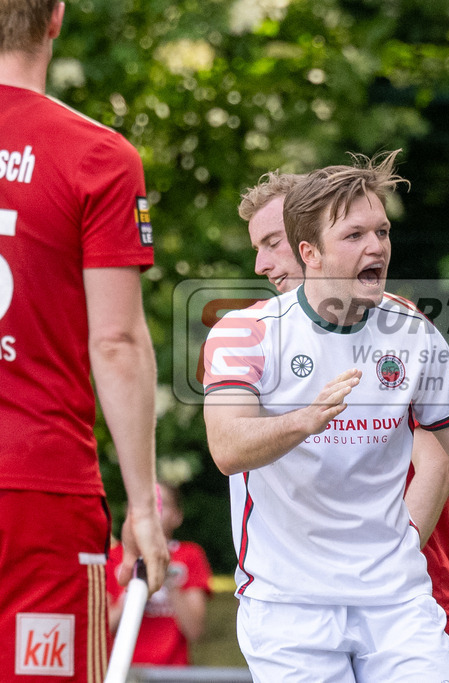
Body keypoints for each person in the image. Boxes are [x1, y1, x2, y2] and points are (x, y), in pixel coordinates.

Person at [202, 151, 449, 682]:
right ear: (310, 253)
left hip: (397, 600)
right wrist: (304, 420)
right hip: (290, 606)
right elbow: (227, 447)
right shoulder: (244, 332)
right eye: (354, 236)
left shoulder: (411, 329)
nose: (377, 248)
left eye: (382, 232)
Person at [238, 170, 449, 675]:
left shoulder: (399, 327)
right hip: (304, 598)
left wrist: (397, 548)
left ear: (310, 241)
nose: (263, 263)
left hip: (410, 583)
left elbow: (444, 454)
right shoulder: (256, 336)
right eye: (258, 247)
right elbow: (233, 447)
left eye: (273, 242)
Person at [0, 2, 168, 680]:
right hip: (40, 484)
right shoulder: (98, 156)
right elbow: (118, 342)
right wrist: (144, 504)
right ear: (56, 19)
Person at [107, 481, 213, 666]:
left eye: (160, 503)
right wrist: (135, 588)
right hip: (123, 670)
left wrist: (168, 578)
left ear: (177, 516)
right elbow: (103, 628)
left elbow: (195, 630)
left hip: (173, 673)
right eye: (144, 503)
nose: (152, 511)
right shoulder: (112, 558)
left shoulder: (190, 555)